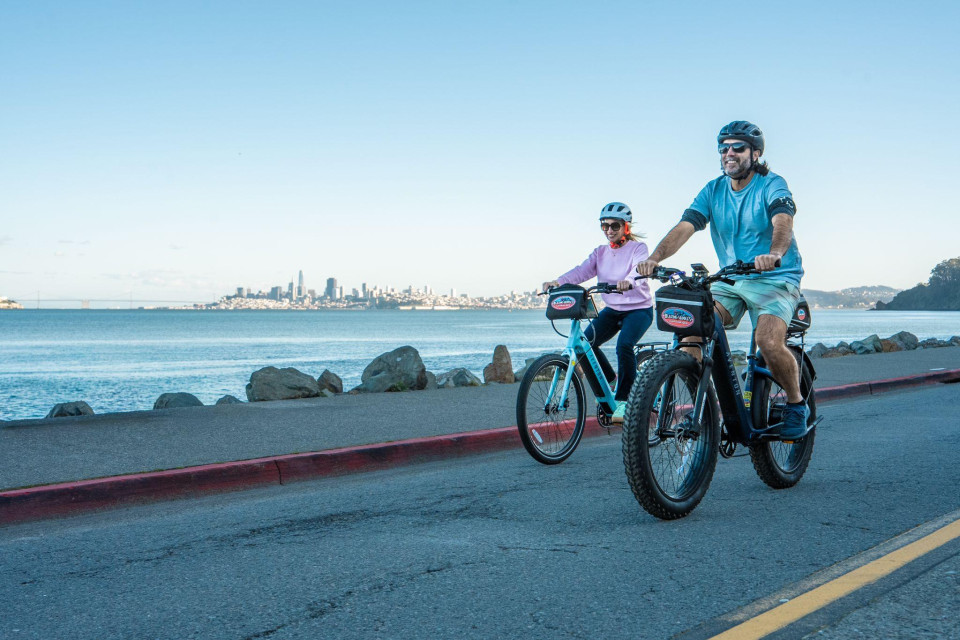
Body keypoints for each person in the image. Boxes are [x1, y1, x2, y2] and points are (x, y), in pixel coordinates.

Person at [636, 120, 808, 439]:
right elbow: (685, 227)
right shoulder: (713, 190)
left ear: (755, 153)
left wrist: (774, 253)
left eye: (737, 147)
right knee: (692, 332)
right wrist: (655, 258)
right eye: (723, 148)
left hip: (775, 276)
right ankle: (708, 406)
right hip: (731, 278)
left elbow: (783, 222)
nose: (729, 153)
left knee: (768, 342)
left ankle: (797, 403)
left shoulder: (772, 184)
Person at [542, 202, 654, 423]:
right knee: (585, 343)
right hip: (613, 309)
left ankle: (623, 400)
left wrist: (628, 281)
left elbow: (638, 268)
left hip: (639, 309)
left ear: (626, 227)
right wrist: (559, 281)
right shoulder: (600, 252)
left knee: (624, 345)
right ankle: (611, 381)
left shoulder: (638, 249)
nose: (609, 231)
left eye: (614, 226)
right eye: (605, 226)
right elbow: (582, 270)